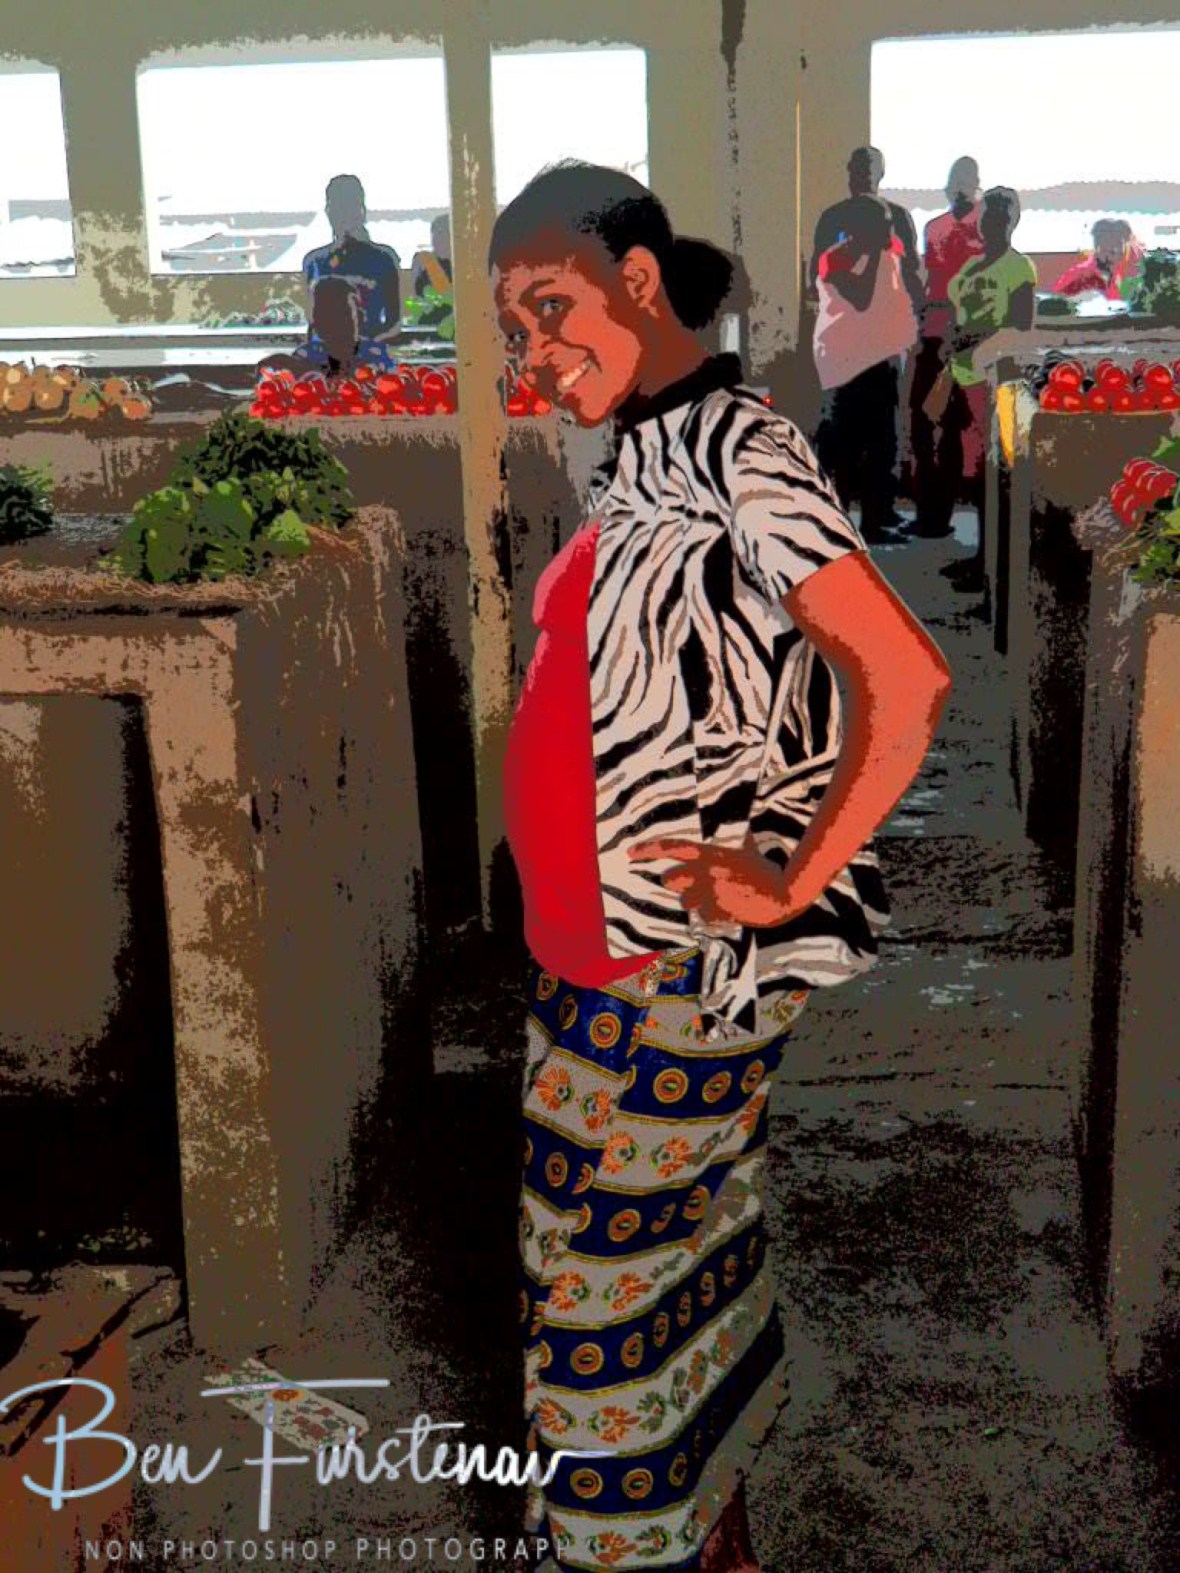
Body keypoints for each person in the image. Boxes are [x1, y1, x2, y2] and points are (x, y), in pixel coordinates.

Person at [492, 160, 952, 1573]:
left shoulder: (736, 446)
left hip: (673, 961)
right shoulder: (646, 446)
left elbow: (903, 672)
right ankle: (727, 1542)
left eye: (554, 307)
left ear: (638, 281)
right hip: (602, 950)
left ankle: (645, 1550)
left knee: (595, 1320)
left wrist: (791, 877)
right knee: (683, 1260)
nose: (535, 353)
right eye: (515, 330)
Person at [937, 186, 1036, 588]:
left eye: (1002, 215)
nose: (993, 222)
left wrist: (969, 335)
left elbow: (1021, 327)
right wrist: (951, 339)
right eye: (988, 214)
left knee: (991, 477)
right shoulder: (971, 269)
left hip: (994, 384)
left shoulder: (1019, 269)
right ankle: (981, 557)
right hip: (960, 379)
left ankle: (989, 567)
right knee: (971, 474)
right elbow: (953, 315)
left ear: (1014, 221)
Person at [812, 195, 919, 542]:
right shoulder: (835, 259)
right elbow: (860, 299)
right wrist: (873, 253)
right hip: (846, 363)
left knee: (884, 443)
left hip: (882, 357)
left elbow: (909, 269)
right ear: (860, 230)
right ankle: (841, 524)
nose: (889, 231)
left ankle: (878, 518)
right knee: (845, 447)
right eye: (882, 225)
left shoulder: (890, 246)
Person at [909, 157, 985, 537]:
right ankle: (929, 515)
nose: (960, 186)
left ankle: (941, 517)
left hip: (967, 341)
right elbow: (930, 281)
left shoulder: (987, 228)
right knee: (924, 424)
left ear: (976, 184)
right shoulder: (933, 227)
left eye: (966, 180)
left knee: (953, 429)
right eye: (955, 179)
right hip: (933, 334)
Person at [809, 146, 924, 318]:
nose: (863, 176)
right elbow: (913, 272)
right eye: (861, 169)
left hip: (850, 320)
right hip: (880, 320)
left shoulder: (833, 216)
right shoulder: (898, 216)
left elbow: (816, 276)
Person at [301, 174, 401, 338]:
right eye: (337, 208)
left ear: (362, 211)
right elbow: (312, 322)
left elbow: (394, 323)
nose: (343, 215)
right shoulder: (313, 262)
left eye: (349, 207)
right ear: (328, 212)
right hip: (323, 355)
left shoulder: (384, 259)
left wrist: (367, 346)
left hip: (368, 354)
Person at [259, 275, 399, 379]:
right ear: (314, 322)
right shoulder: (306, 356)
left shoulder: (378, 355)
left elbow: (395, 383)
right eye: (325, 314)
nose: (335, 322)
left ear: (361, 318)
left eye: (343, 314)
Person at [1052, 217, 1144, 301]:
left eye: (1118, 243)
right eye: (1107, 242)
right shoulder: (1078, 275)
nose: (1113, 248)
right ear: (1096, 244)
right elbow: (1054, 304)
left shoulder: (1137, 273)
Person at [411, 213, 454, 297]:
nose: (438, 238)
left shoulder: (461, 262)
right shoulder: (422, 260)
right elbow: (414, 295)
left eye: (443, 233)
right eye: (435, 234)